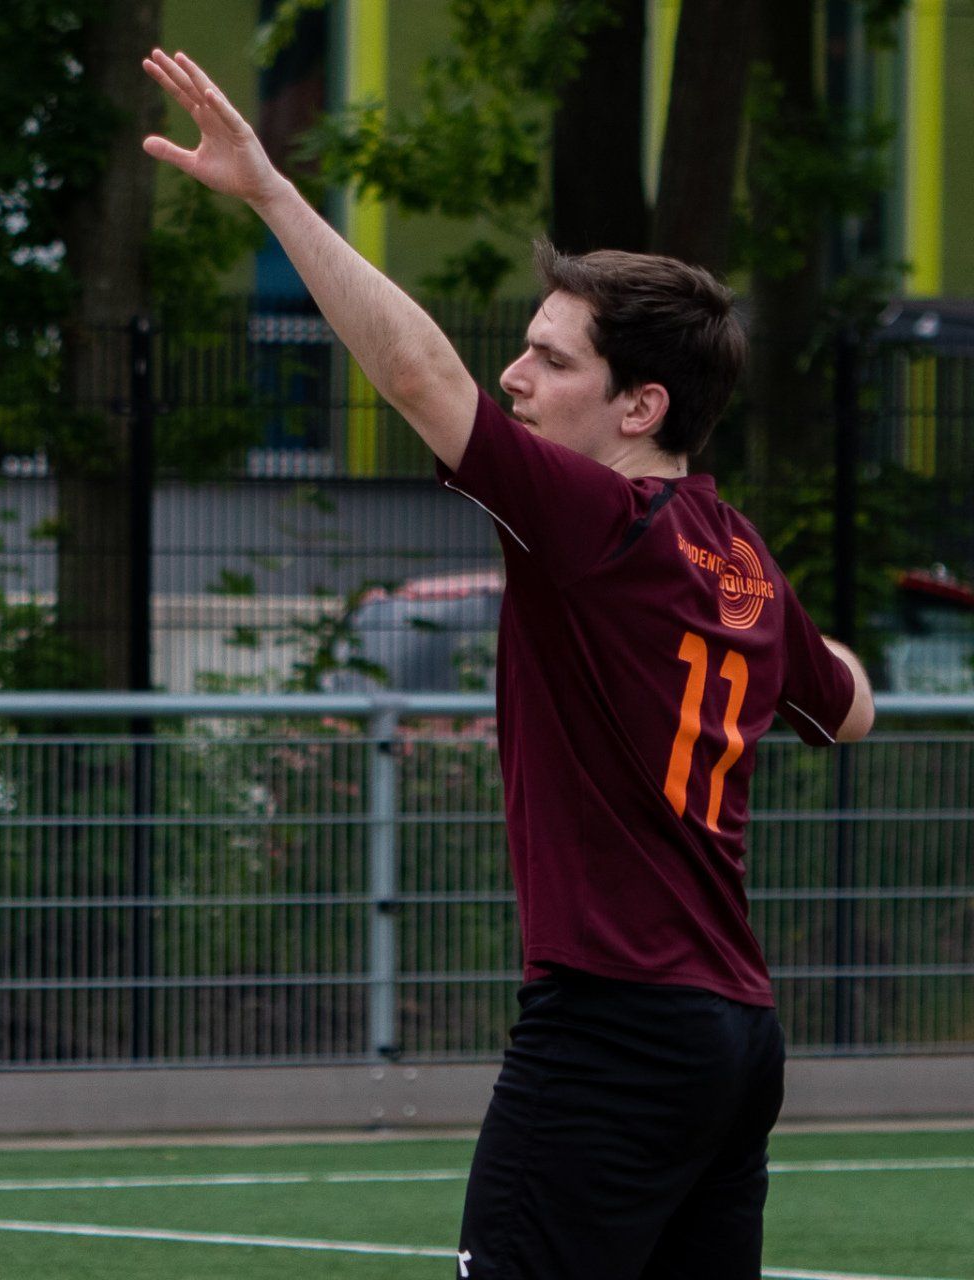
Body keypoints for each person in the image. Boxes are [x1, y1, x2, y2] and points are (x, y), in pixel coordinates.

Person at [142, 49, 874, 1280]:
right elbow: (848, 708)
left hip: (614, 1027)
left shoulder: (597, 521)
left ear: (640, 407)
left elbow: (417, 375)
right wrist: (783, 630)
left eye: (551, 358)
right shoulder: (736, 552)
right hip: (734, 1034)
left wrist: (270, 189)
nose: (516, 378)